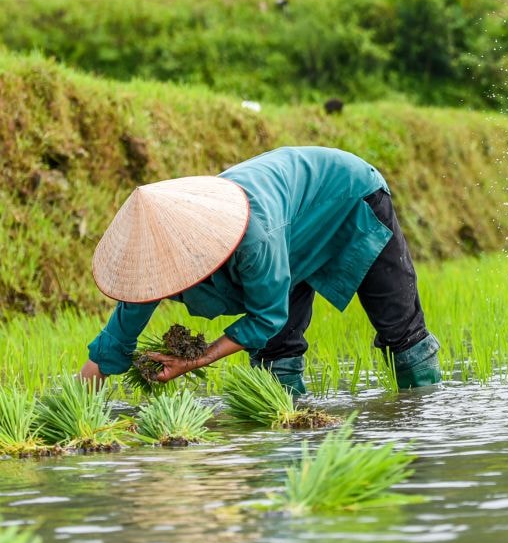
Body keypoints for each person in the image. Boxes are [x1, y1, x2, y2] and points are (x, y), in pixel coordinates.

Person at [78, 145, 442, 394]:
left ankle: (422, 418)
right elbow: (114, 342)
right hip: (289, 220)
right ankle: (287, 435)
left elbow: (266, 315)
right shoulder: (158, 259)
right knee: (275, 354)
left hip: (347, 196)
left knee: (400, 331)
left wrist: (196, 359)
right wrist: (72, 405)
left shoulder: (251, 238)